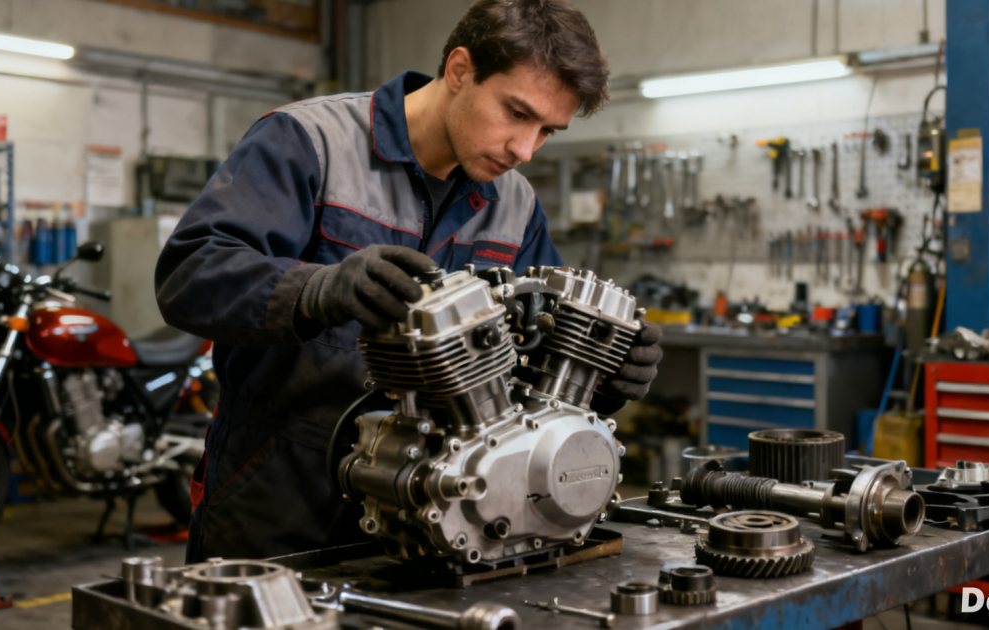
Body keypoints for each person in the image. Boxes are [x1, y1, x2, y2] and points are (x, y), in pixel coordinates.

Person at [155, 0, 663, 562]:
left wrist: (604, 374)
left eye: (547, 130)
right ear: (460, 69)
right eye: (517, 113)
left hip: (436, 505)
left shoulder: (515, 204)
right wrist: (317, 290)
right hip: (279, 485)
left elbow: (531, 355)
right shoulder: (310, 142)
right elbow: (192, 272)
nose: (524, 150)